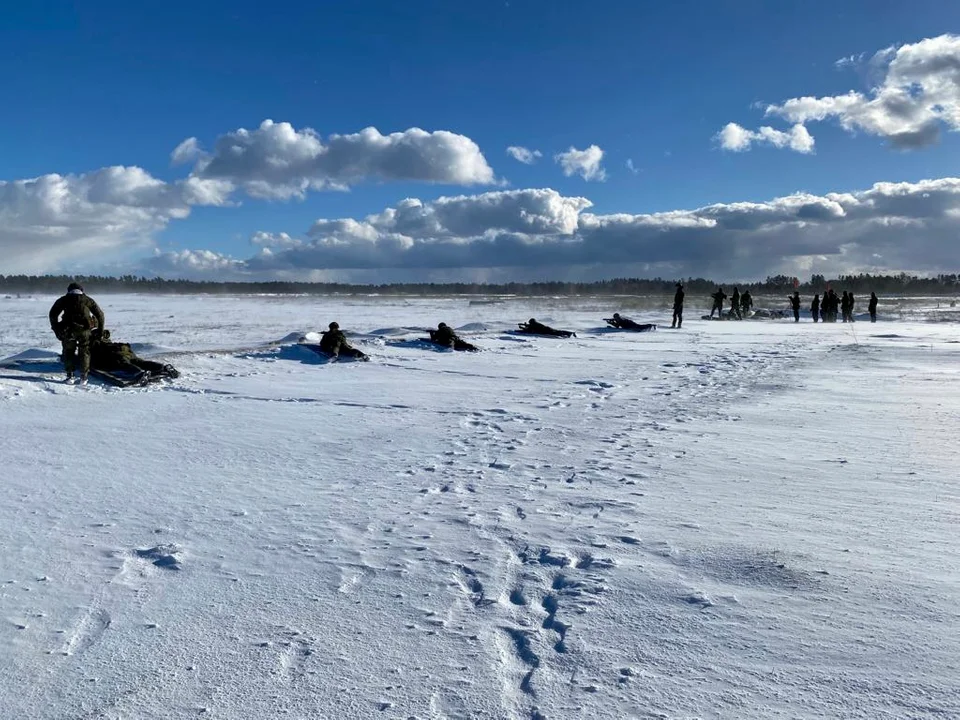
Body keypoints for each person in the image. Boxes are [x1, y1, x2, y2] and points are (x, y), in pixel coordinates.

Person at [48, 282, 105, 384]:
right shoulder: (88, 300)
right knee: (84, 352)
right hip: (84, 331)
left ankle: (70, 376)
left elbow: (53, 314)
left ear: (69, 290)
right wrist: (100, 331)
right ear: (82, 290)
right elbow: (100, 315)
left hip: (68, 331)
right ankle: (84, 377)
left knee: (68, 352)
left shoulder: (63, 300)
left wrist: (56, 329)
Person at [89, 329, 180, 383]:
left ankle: (140, 373)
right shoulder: (107, 341)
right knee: (140, 362)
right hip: (127, 352)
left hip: (117, 355)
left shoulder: (96, 344)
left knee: (125, 365)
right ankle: (163, 368)